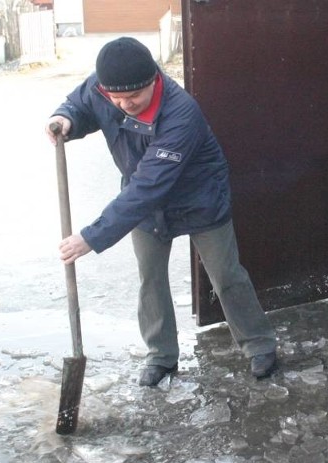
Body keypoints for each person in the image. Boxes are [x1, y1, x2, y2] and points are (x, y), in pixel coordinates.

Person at [45, 37, 277, 387]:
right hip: (146, 208)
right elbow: (81, 102)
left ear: (153, 79)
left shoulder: (181, 113)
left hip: (199, 197)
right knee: (150, 279)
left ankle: (259, 345)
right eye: (116, 99)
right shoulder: (104, 87)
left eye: (133, 97)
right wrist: (66, 119)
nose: (125, 105)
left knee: (226, 276)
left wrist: (92, 237)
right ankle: (162, 356)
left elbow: (149, 187)